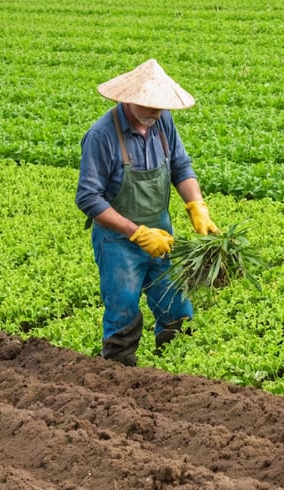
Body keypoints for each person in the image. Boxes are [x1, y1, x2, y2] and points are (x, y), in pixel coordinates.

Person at [76, 59, 219, 366]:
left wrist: (198, 207)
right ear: (128, 99)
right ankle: (118, 375)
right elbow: (88, 198)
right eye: (150, 106)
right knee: (123, 309)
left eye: (161, 107)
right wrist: (137, 233)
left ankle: (173, 374)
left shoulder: (162, 122)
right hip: (118, 242)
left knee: (176, 307)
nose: (157, 113)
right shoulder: (102, 136)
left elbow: (181, 167)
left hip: (162, 234)